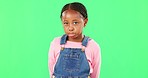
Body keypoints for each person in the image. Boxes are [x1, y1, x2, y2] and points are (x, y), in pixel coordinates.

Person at [48, 2, 101, 78]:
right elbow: (51, 72)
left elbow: (95, 75)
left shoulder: (93, 46)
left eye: (75, 23)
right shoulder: (56, 44)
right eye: (66, 23)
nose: (70, 28)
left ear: (85, 22)